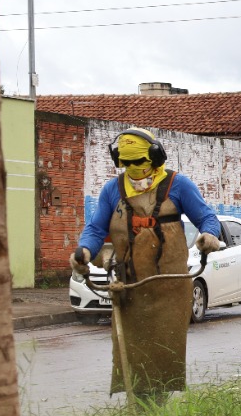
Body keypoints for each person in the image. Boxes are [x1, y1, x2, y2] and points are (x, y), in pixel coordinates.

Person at [72, 127, 222, 399]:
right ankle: (139, 413)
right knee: (133, 356)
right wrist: (83, 251)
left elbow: (207, 218)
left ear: (155, 156)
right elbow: (95, 229)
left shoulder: (178, 185)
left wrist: (210, 235)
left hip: (169, 288)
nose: (133, 169)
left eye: (138, 162)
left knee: (162, 357)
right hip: (130, 288)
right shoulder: (112, 190)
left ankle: (156, 414)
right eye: (125, 163)